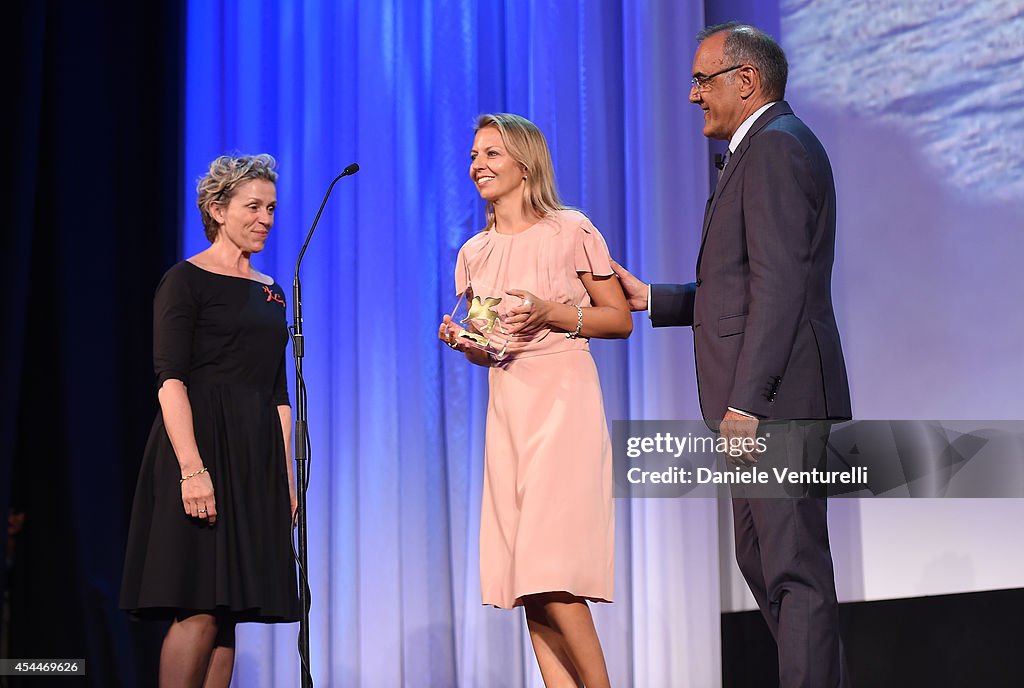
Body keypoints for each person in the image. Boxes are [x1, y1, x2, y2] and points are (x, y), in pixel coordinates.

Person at [612, 23, 852, 688]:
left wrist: (748, 399)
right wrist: (655, 299)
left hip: (776, 403)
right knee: (763, 560)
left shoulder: (775, 148)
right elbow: (741, 287)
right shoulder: (764, 147)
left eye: (702, 79)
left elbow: (781, 285)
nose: (692, 95)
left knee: (791, 569)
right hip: (765, 402)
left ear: (745, 82)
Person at [438, 113, 632, 688]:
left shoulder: (569, 230)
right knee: (528, 581)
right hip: (510, 407)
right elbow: (489, 348)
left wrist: (551, 313)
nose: (480, 165)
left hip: (563, 402)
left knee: (552, 570)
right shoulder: (475, 251)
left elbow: (618, 318)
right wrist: (465, 342)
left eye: (493, 154)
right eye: (475, 155)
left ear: (525, 165)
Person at [120, 154, 299, 687]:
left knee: (228, 612)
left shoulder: (270, 290)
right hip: (199, 450)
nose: (265, 218)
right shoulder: (186, 280)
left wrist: (284, 479)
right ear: (218, 210)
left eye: (270, 208)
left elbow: (277, 394)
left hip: (252, 455)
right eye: (252, 207)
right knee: (197, 606)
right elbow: (169, 378)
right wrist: (192, 468)